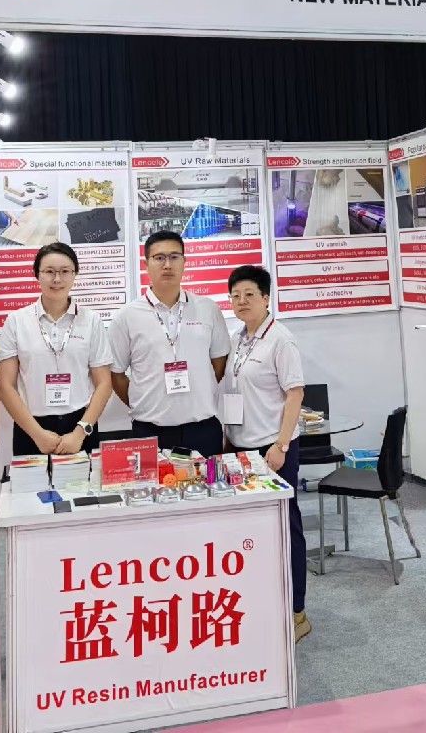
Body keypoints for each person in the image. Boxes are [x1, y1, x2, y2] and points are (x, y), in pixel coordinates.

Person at [222, 264, 310, 643]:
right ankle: (264, 605)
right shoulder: (237, 339)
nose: (242, 302)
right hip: (240, 448)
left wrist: (281, 445)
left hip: (272, 450)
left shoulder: (280, 340)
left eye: (249, 295)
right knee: (251, 533)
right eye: (235, 296)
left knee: (285, 529)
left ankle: (297, 612)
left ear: (266, 298)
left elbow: (295, 394)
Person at [109, 231, 230, 456]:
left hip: (202, 429)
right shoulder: (126, 316)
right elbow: (116, 373)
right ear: (146, 264)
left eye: (174, 257)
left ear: (184, 262)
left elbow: (219, 362)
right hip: (150, 431)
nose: (167, 265)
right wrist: (142, 402)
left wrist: (198, 392)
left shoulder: (208, 309)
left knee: (208, 480)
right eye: (159, 258)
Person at [0, 242, 112, 455]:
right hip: (30, 427)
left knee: (84, 479)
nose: (57, 279)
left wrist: (80, 433)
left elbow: (104, 383)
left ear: (75, 274)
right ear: (37, 275)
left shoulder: (91, 320)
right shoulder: (16, 321)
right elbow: (5, 386)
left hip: (81, 425)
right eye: (49, 272)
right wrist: (37, 434)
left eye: (65, 271)